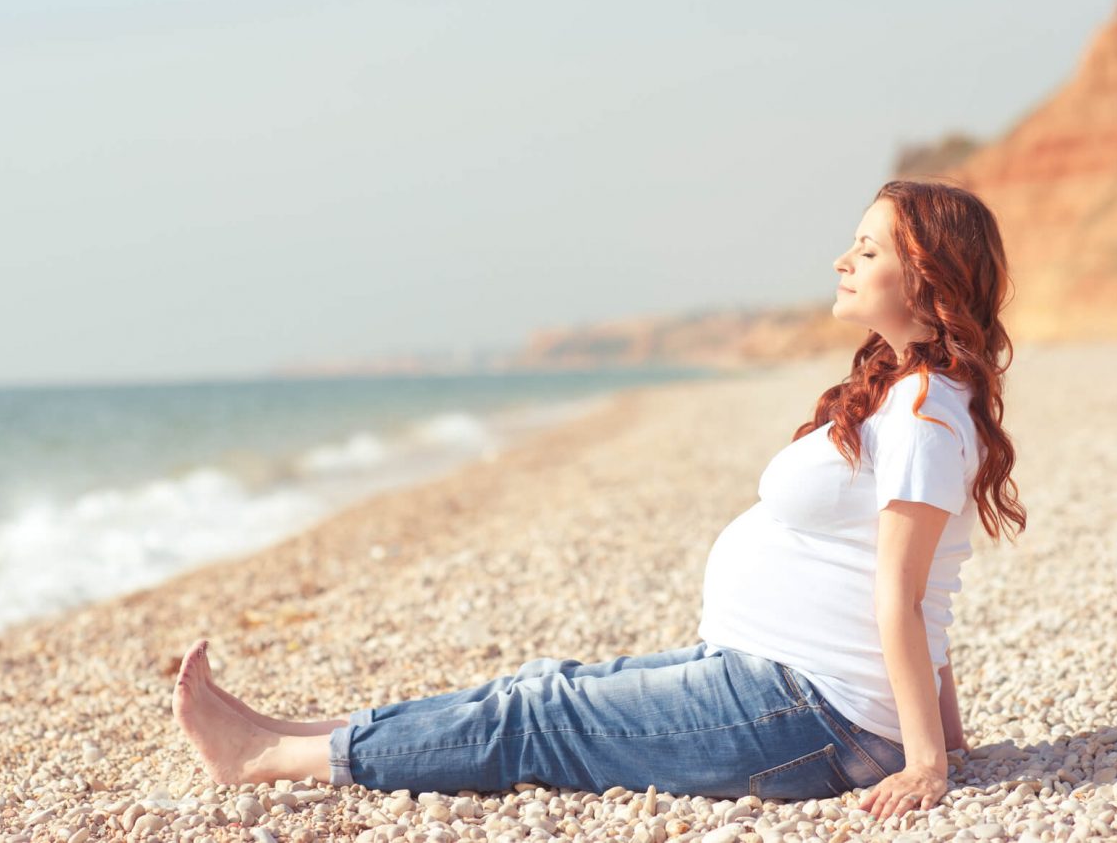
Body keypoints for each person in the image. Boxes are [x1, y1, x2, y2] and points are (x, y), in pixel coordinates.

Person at [170, 179, 1025, 818]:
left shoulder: (920, 415)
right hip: (778, 690)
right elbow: (933, 594)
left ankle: (267, 759)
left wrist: (925, 763)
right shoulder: (909, 394)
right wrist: (944, 736)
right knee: (542, 686)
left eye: (867, 251)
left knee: (537, 717)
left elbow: (907, 598)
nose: (843, 260)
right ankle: (300, 735)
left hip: (810, 722)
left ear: (924, 281)